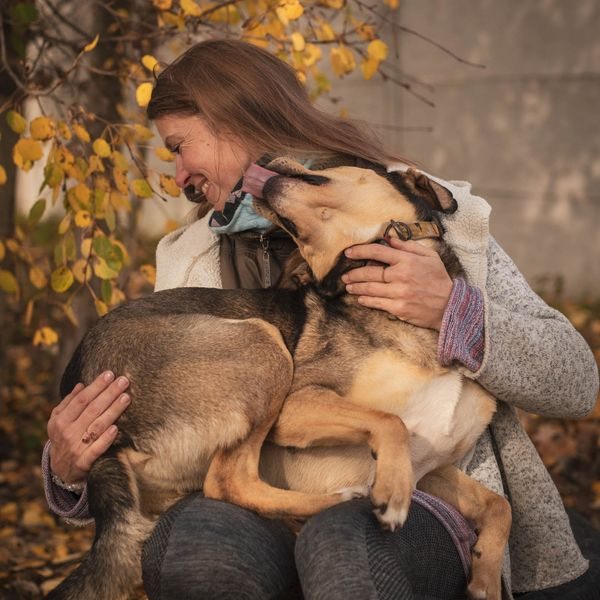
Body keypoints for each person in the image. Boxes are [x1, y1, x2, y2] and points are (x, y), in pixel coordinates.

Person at [43, 39, 599, 600]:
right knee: (194, 544)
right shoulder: (188, 256)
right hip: (259, 501)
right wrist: (71, 471)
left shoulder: (417, 209)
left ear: (235, 116)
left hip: (420, 496)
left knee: (343, 544)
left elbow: (576, 383)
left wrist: (454, 310)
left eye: (180, 147)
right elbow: (178, 430)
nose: (178, 175)